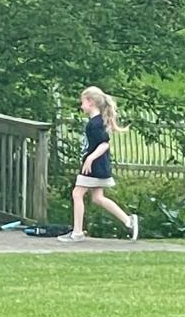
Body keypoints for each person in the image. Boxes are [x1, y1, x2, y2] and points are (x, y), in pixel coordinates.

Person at [57, 86, 139, 243]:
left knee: (77, 193)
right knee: (97, 198)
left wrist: (90, 158)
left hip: (93, 166)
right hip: (98, 166)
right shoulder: (97, 121)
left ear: (91, 102)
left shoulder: (95, 124)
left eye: (83, 102)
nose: (81, 106)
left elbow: (104, 144)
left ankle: (77, 232)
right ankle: (128, 221)